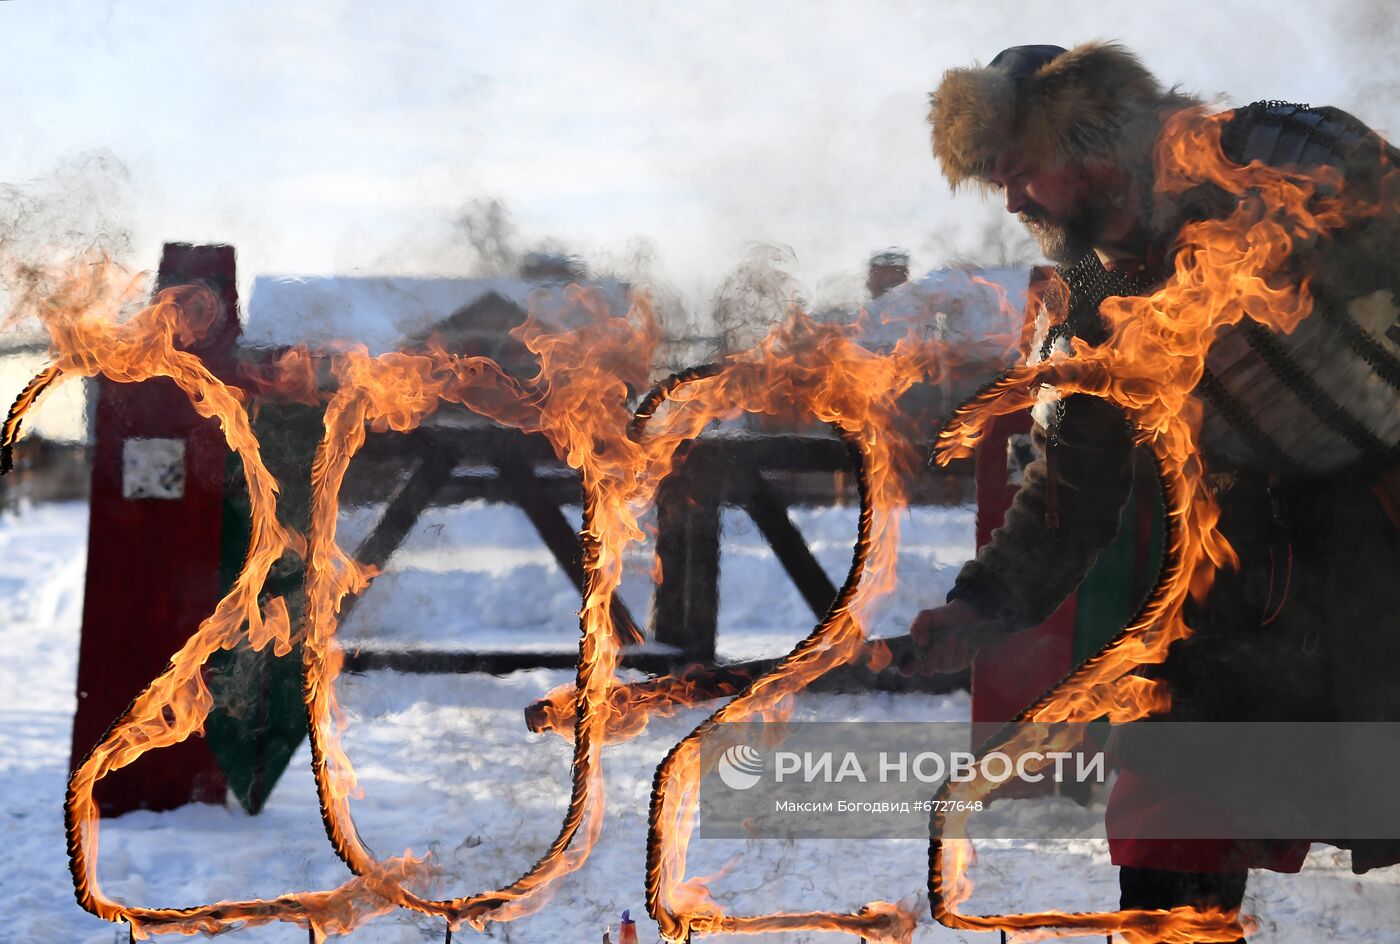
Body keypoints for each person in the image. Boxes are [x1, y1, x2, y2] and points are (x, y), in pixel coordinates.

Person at [908, 41, 1400, 932]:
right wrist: (983, 602)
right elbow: (1070, 486)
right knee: (1173, 795)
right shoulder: (1091, 292)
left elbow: (1385, 207)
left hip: (1391, 519)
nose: (1014, 201)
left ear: (1088, 140)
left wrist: (1302, 246)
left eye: (1019, 173)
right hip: (1256, 563)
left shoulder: (1265, 153)